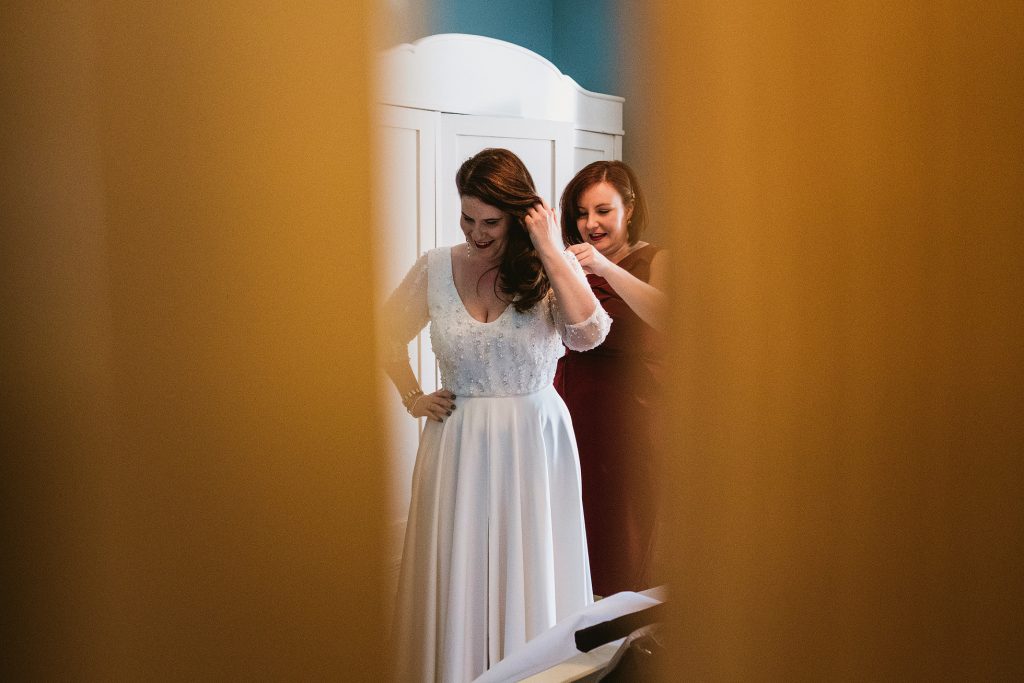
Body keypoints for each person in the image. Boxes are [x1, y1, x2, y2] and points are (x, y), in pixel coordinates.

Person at [383, 148, 612, 682]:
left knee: (527, 568)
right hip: (457, 442)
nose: (477, 233)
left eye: (491, 221)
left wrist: (551, 249)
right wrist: (412, 395)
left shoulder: (543, 269)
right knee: (461, 571)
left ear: (516, 215)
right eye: (468, 218)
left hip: (534, 440)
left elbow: (590, 333)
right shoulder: (436, 267)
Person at [553, 160, 669, 597]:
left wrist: (604, 267)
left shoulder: (655, 258)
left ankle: (626, 623)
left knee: (625, 523)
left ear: (630, 207)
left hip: (631, 409)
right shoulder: (569, 261)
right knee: (575, 515)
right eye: (582, 213)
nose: (591, 223)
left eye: (603, 210)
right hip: (572, 401)